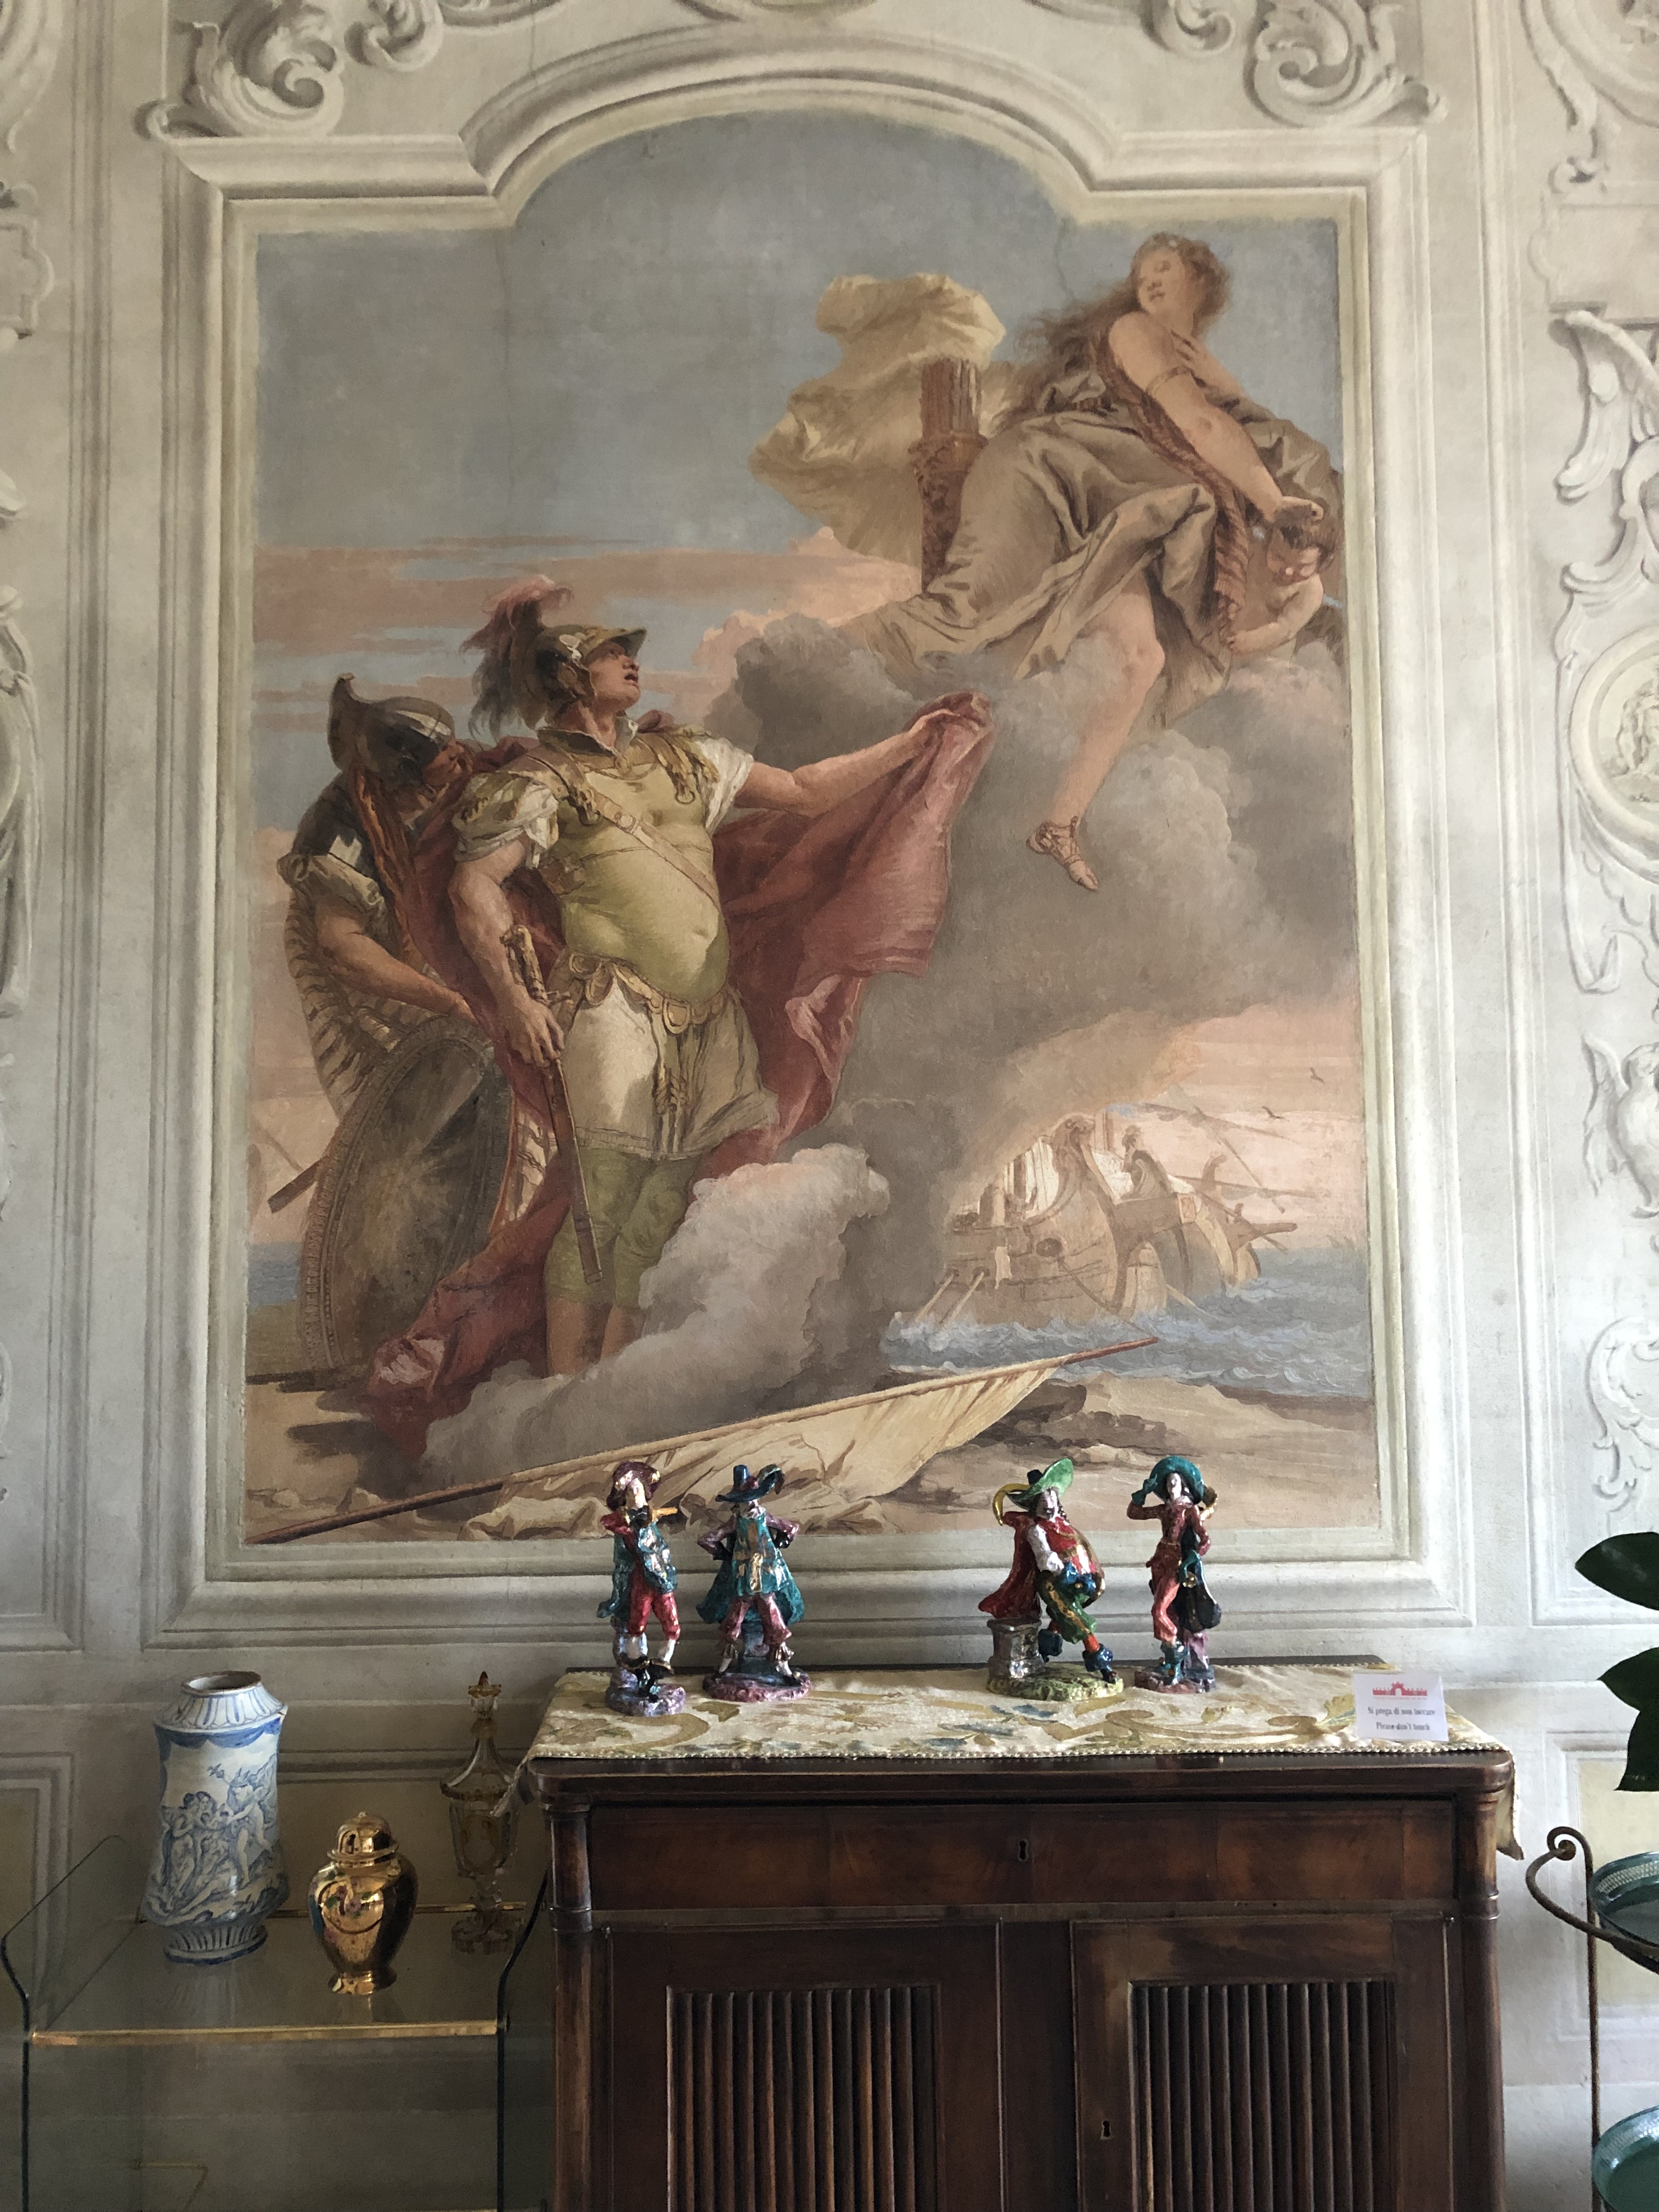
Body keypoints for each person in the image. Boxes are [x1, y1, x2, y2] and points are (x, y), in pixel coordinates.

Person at [444, 581, 981, 1378]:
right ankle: (559, 1392)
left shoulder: (683, 757)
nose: (631, 662)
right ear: (569, 677)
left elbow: (804, 792)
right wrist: (517, 999)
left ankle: (606, 1395)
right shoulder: (542, 783)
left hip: (708, 1015)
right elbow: (474, 886)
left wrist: (908, 746)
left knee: (665, 1205)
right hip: (612, 1008)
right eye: (611, 654)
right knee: (601, 1202)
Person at [850, 234, 1342, 891]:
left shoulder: (1196, 363)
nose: (1150, 281)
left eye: (1165, 269)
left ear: (1203, 283)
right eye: (1142, 273)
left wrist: (1230, 390)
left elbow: (1231, 427)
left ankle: (1057, 824)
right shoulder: (1136, 331)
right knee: (965, 613)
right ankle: (839, 668)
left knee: (1142, 661)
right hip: (1052, 481)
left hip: (1119, 514)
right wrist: (1274, 502)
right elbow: (1201, 428)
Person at [279, 676, 478, 1119]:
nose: (458, 753)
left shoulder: (456, 775)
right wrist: (449, 1003)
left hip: (426, 943)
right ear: (406, 771)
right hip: (362, 976)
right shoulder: (339, 828)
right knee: (406, 1104)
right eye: (442, 750)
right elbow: (343, 949)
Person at [979, 1457, 1116, 1681]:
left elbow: (1082, 1549)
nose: (1048, 1501)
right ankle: (1102, 1664)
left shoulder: (1064, 1524)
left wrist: (1092, 1573)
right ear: (1035, 1504)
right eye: (1042, 1498)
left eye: (1051, 1495)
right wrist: (1068, 1574)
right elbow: (1046, 1559)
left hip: (1082, 1580)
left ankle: (1043, 1651)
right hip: (1057, 1583)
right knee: (1077, 1620)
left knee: (1060, 1619)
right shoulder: (1037, 1530)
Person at [696, 1464, 805, 1684]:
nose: (753, 1504)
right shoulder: (737, 1521)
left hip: (766, 1581)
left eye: (755, 1499)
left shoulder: (764, 1516)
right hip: (744, 1582)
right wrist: (725, 1555)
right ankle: (722, 1669)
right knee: (733, 1624)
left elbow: (792, 1528)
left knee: (774, 1624)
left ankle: (784, 1670)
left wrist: (779, 1543)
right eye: (747, 1500)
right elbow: (707, 1539)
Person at [1126, 1452, 1218, 1692]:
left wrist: (1193, 1557)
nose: (1171, 1486)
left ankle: (1176, 1657)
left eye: (1175, 1482)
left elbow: (1205, 1540)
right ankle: (1171, 1662)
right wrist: (1144, 1492)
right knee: (1168, 1612)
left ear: (1185, 1485)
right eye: (1167, 1483)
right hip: (1160, 1561)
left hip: (1177, 1564)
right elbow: (1135, 1513)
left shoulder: (1190, 1511)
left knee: (1159, 1611)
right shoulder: (1164, 1509)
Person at [598, 1458, 682, 1678]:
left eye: (638, 1490)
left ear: (645, 1493)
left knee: (672, 1622)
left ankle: (664, 1660)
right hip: (641, 1579)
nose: (635, 1494)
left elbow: (660, 1547)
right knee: (637, 1621)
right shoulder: (624, 1523)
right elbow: (609, 1523)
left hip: (662, 1578)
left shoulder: (652, 1519)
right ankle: (637, 1661)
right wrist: (627, 1518)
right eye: (630, 1491)